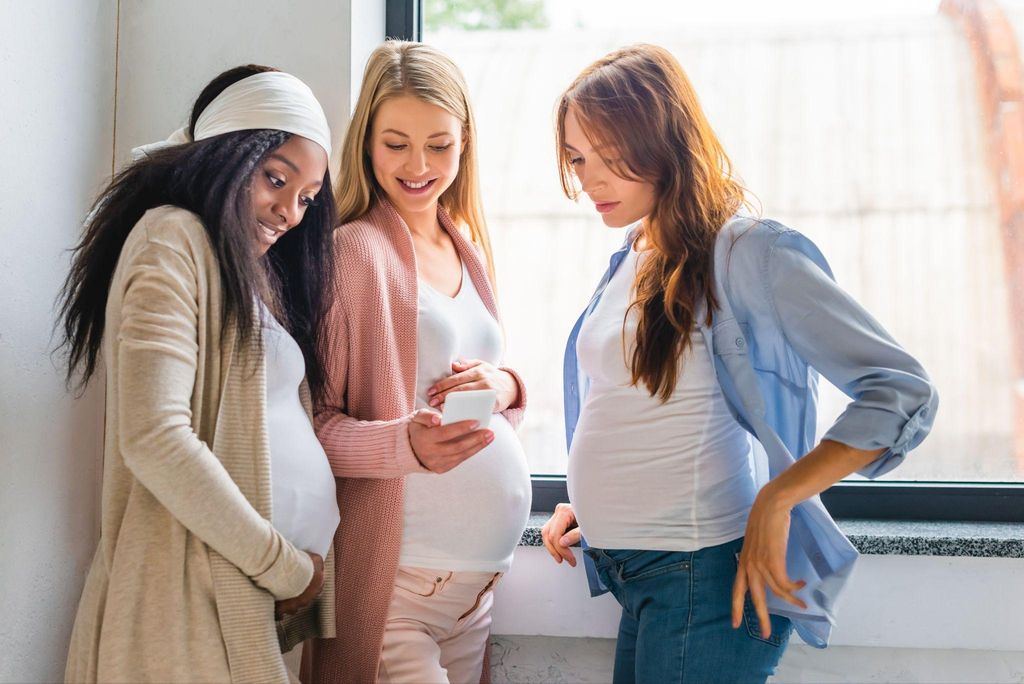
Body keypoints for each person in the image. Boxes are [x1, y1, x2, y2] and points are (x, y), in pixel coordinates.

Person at [540, 44, 938, 684]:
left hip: (701, 580)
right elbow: (642, 405)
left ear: (663, 141)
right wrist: (590, 500)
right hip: (638, 573)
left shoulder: (748, 251)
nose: (588, 180)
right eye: (576, 159)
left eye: (608, 158)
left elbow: (900, 390)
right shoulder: (632, 252)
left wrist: (779, 497)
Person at [59, 65, 340, 683]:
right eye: (275, 179)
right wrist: (287, 568)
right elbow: (155, 437)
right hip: (184, 599)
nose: (290, 212)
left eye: (307, 198)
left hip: (238, 595)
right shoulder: (171, 238)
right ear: (225, 154)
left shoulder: (239, 266)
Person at [303, 41, 530, 684]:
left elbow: (480, 396)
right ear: (366, 142)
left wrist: (509, 384)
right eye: (395, 143)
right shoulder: (353, 252)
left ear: (465, 144)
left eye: (440, 145)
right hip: (398, 590)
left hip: (473, 596)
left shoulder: (467, 249)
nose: (418, 165)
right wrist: (404, 447)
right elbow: (313, 425)